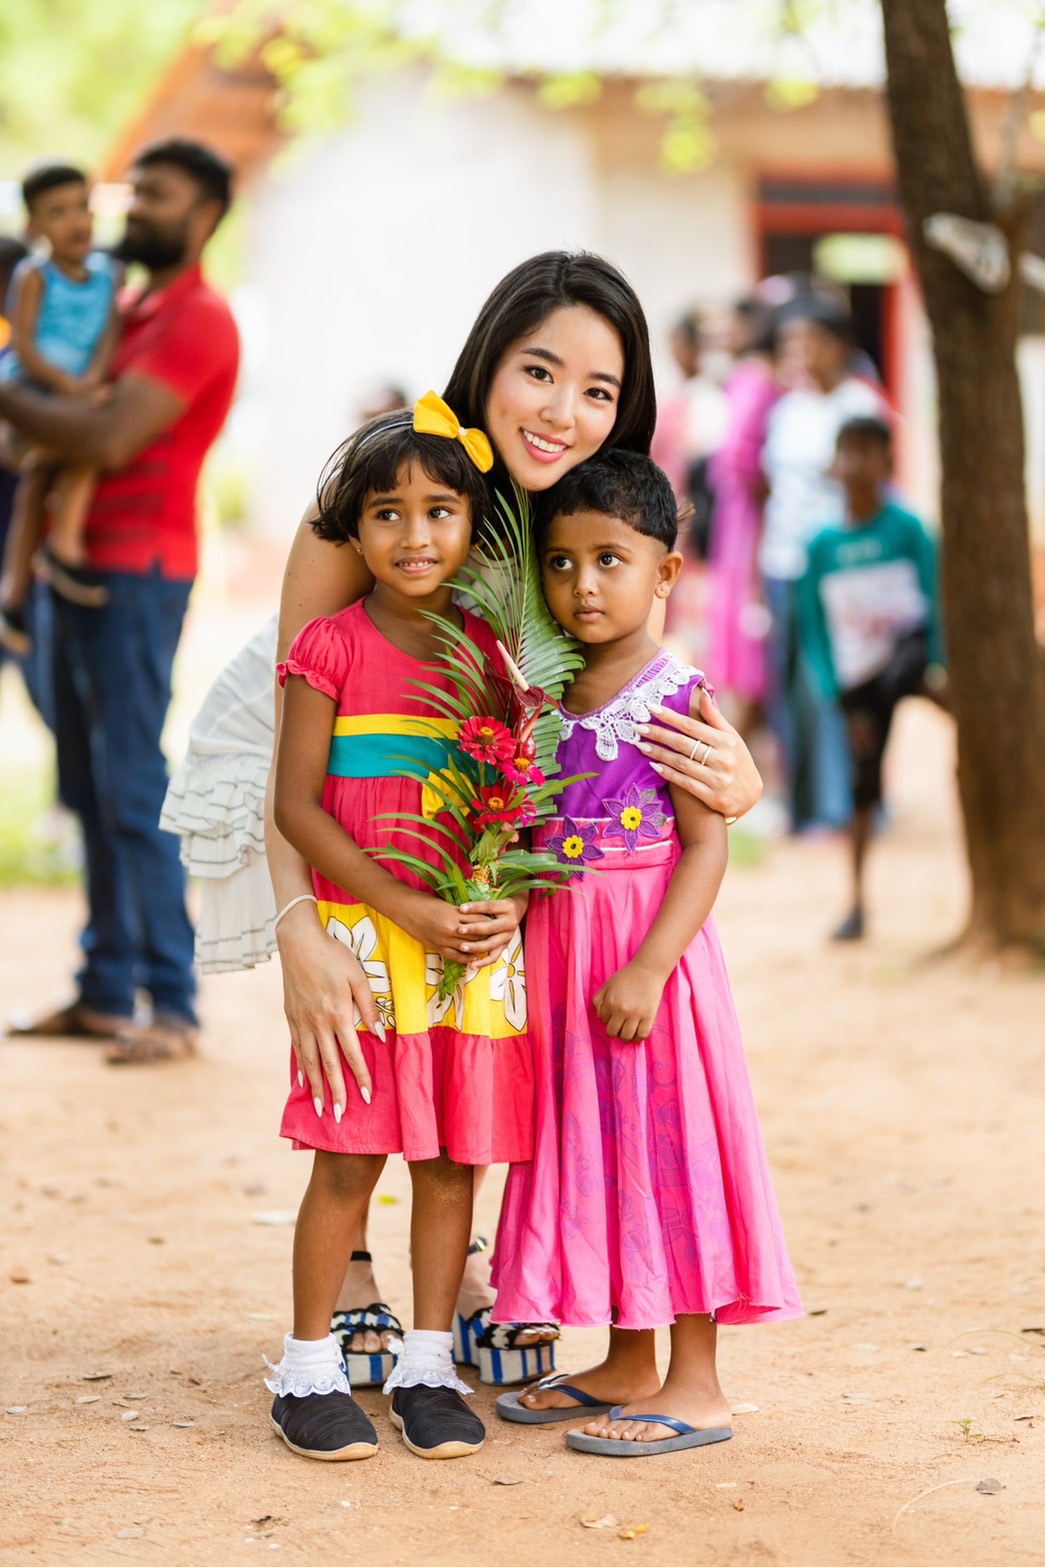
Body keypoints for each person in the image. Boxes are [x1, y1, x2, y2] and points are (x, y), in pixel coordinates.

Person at [165, 252, 762, 1370]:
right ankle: (347, 1267)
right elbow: (300, 731)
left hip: (468, 781)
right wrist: (299, 928)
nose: (563, 412)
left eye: (598, 390)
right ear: (490, 359)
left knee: (477, 1008)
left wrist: (734, 778)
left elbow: (618, 680)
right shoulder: (391, 486)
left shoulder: (570, 514)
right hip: (320, 752)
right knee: (347, 1015)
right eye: (540, 372)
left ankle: (465, 1260)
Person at [491, 450, 801, 1455]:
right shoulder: (551, 695)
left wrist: (649, 965)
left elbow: (707, 846)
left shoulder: (678, 695)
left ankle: (697, 1381)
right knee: (603, 1148)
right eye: (563, 562)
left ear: (665, 572)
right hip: (568, 963)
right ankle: (627, 1357)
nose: (583, 584)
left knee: (668, 1150)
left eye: (611, 561)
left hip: (647, 966)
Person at [266, 404, 530, 1462]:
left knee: (450, 1156)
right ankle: (307, 1365)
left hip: (464, 943)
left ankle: (427, 1361)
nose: (414, 534)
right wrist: (398, 905)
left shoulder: (494, 654)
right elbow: (296, 806)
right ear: (354, 526)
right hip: (367, 941)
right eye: (387, 512)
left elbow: (517, 793)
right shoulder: (329, 645)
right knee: (348, 1151)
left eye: (439, 510)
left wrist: (504, 889)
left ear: (475, 525)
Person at [1, 138, 240, 1060]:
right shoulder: (123, 306)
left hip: (137, 572)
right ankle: (104, 989)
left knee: (132, 785)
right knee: (84, 783)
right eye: (132, 190)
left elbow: (102, 437)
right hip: (71, 568)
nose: (131, 208)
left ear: (206, 213)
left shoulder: (200, 320)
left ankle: (171, 1004)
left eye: (157, 195)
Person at [797, 416, 947, 940]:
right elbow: (812, 626)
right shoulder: (820, 545)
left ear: (888, 463)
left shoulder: (909, 530)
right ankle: (857, 904)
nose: (857, 464)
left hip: (911, 663)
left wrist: (939, 667)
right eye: (848, 452)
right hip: (859, 681)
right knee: (862, 785)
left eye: (868, 452)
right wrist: (832, 690)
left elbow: (935, 599)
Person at [760, 296, 886, 832]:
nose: (800, 354)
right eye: (792, 344)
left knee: (836, 686)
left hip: (840, 569)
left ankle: (851, 803)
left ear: (840, 345)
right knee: (786, 686)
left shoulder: (861, 407)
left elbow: (877, 488)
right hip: (783, 565)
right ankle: (804, 804)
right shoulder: (788, 409)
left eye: (810, 341)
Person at [0, 162, 121, 656]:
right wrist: (63, 384)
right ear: (34, 228)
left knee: (49, 470)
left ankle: (18, 590)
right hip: (35, 385)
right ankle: (60, 552)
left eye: (82, 208)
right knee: (69, 450)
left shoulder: (107, 275)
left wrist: (92, 378)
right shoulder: (34, 275)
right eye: (58, 212)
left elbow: (109, 335)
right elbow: (23, 344)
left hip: (76, 388)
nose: (75, 221)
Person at [704, 294, 779, 738]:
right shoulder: (747, 377)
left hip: (748, 518)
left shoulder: (755, 377)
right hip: (735, 515)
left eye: (731, 324)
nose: (722, 335)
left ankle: (743, 740)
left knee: (746, 621)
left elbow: (743, 458)